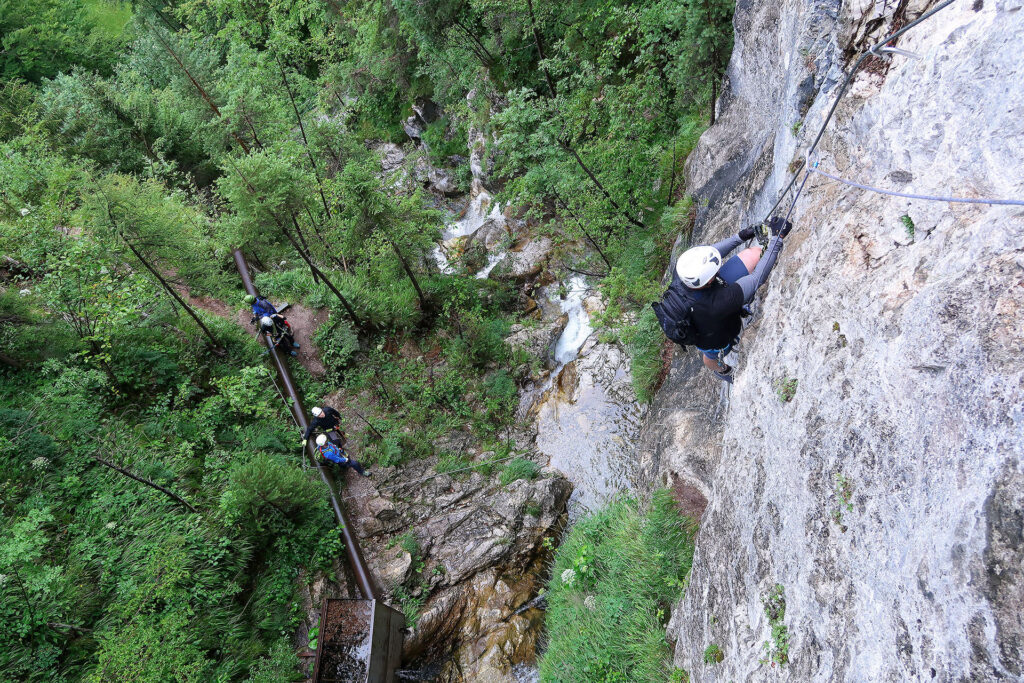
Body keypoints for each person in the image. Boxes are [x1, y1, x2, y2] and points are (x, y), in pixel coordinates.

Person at [656, 216, 791, 382]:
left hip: (710, 296)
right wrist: (777, 240)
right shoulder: (718, 304)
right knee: (710, 357)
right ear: (709, 280)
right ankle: (723, 371)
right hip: (714, 337)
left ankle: (720, 368)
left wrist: (741, 236)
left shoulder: (685, 270)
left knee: (753, 254)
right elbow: (756, 279)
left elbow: (712, 253)